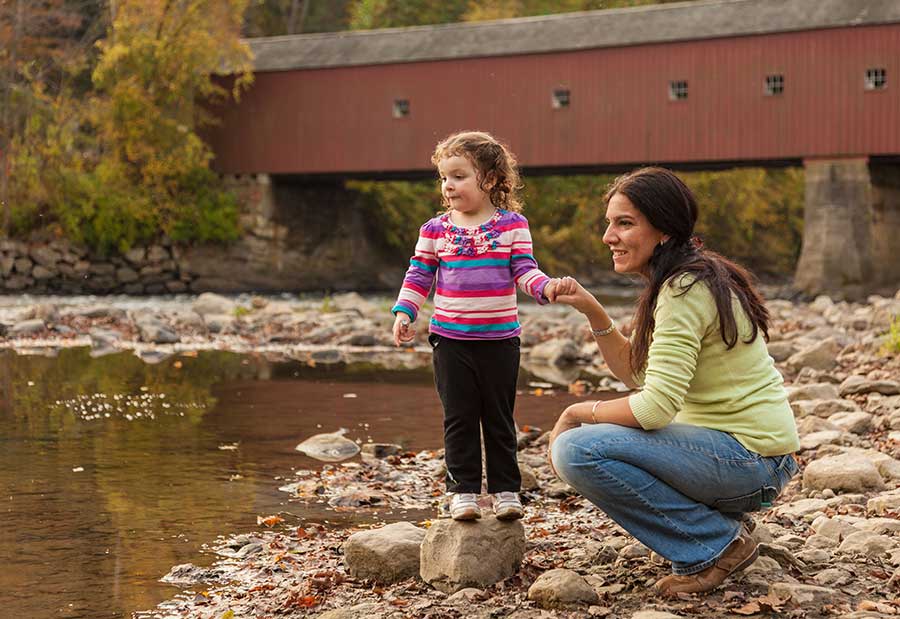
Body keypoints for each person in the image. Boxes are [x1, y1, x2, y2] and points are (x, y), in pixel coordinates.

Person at [548, 167, 800, 596]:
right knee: (588, 443)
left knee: (578, 449)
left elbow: (653, 408)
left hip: (749, 462)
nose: (609, 236)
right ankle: (712, 529)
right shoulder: (690, 277)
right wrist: (594, 312)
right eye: (609, 223)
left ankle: (715, 543)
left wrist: (576, 411)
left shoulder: (685, 289)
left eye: (624, 223)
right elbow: (639, 375)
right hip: (751, 461)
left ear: (663, 230)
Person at [391, 131, 562, 521]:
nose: (448, 186)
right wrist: (406, 312)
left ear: (488, 179)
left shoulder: (512, 226)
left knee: (499, 418)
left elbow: (524, 271)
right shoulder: (435, 230)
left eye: (458, 176)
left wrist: (546, 287)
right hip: (450, 341)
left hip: (500, 341)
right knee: (459, 417)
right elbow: (419, 275)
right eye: (443, 178)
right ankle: (463, 491)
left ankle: (506, 491)